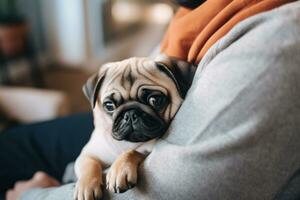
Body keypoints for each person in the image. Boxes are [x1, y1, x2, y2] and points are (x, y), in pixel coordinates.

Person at [2, 0, 300, 199]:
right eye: (113, 105)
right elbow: (145, 71)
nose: (130, 113)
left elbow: (175, 190)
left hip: (160, 152)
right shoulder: (197, 13)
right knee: (9, 146)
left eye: (153, 100)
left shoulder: (277, 39)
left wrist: (32, 196)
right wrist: (107, 118)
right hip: (114, 137)